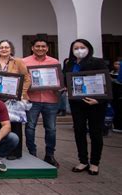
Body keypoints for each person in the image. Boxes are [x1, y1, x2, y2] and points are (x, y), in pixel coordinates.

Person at [63, 39, 108, 175]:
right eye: (76, 48)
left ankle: (94, 163)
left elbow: (105, 83)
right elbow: (66, 80)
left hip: (95, 103)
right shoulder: (69, 63)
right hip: (77, 104)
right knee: (79, 131)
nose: (79, 50)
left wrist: (99, 100)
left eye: (82, 47)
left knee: (95, 133)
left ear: (88, 48)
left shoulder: (98, 62)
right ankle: (83, 160)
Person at [0, 39, 30, 160]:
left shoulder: (18, 62)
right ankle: (1, 150)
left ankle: (15, 152)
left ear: (11, 49)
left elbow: (26, 78)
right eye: (1, 47)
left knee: (14, 125)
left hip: (13, 99)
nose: (4, 49)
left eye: (6, 47)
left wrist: (22, 93)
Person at [22, 38, 60, 167]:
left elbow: (60, 80)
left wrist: (60, 85)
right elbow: (21, 80)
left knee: (51, 129)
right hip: (32, 100)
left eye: (43, 46)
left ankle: (50, 155)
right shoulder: (24, 62)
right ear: (32, 48)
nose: (40, 48)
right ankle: (32, 154)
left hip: (51, 100)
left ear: (47, 48)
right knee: (30, 127)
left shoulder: (54, 62)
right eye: (37, 46)